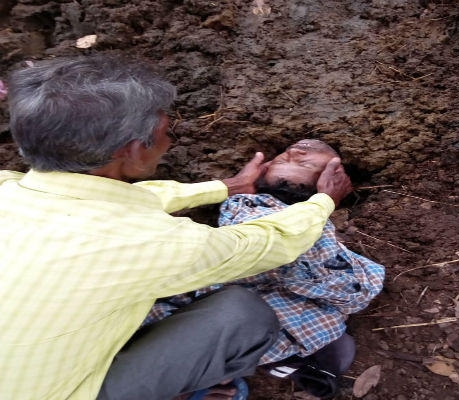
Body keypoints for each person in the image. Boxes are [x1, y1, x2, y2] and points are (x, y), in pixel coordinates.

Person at [0, 55, 352, 400]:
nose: (170, 141)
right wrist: (323, 202)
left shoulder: (7, 186)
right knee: (242, 316)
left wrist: (226, 187)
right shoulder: (153, 243)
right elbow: (265, 243)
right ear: (134, 150)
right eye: (167, 132)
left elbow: (114, 200)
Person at [144, 140, 385, 398]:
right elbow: (262, 249)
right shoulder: (245, 206)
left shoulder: (315, 229)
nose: (293, 151)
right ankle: (213, 369)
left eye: (304, 163)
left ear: (330, 182)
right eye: (283, 157)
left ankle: (215, 368)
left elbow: (347, 285)